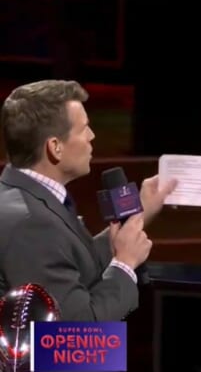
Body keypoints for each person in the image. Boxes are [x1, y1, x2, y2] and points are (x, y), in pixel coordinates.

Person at [0, 80, 176, 321]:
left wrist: (139, 212)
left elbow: (69, 263)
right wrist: (125, 263)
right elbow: (76, 333)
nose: (92, 136)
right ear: (55, 147)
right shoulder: (31, 223)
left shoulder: (21, 196)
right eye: (84, 129)